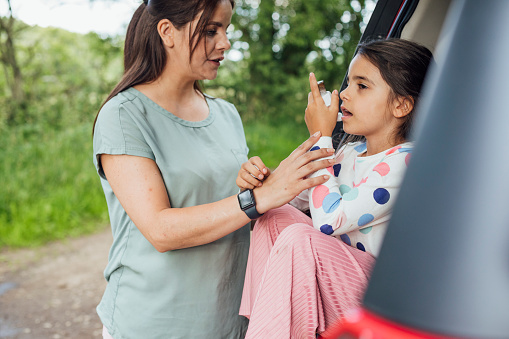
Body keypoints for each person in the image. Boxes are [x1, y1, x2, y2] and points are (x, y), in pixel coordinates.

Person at [92, 0, 335, 338]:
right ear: (167, 32)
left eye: (226, 30)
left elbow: (231, 207)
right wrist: (256, 200)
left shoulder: (226, 114)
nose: (225, 43)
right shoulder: (124, 115)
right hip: (153, 324)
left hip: (230, 323)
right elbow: (160, 229)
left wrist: (257, 182)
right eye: (211, 31)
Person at [236, 39, 433, 338]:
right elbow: (292, 197)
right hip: (340, 278)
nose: (344, 94)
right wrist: (262, 180)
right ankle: (266, 325)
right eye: (348, 83)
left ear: (401, 105)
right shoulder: (348, 153)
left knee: (301, 237)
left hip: (377, 297)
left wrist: (323, 138)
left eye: (362, 86)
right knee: (273, 216)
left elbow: (329, 221)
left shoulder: (406, 162)